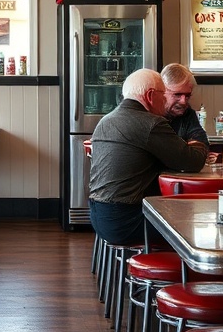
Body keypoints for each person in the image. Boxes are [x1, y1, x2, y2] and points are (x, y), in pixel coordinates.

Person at [88, 68, 208, 246]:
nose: (165, 99)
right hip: (127, 221)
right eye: (163, 94)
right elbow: (194, 161)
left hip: (99, 217)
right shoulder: (151, 123)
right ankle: (198, 272)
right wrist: (197, 145)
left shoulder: (107, 120)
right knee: (199, 224)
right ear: (151, 95)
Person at [160, 63, 209, 145]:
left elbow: (202, 143)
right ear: (162, 91)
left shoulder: (188, 114)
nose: (183, 101)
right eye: (177, 94)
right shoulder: (149, 115)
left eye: (187, 95)